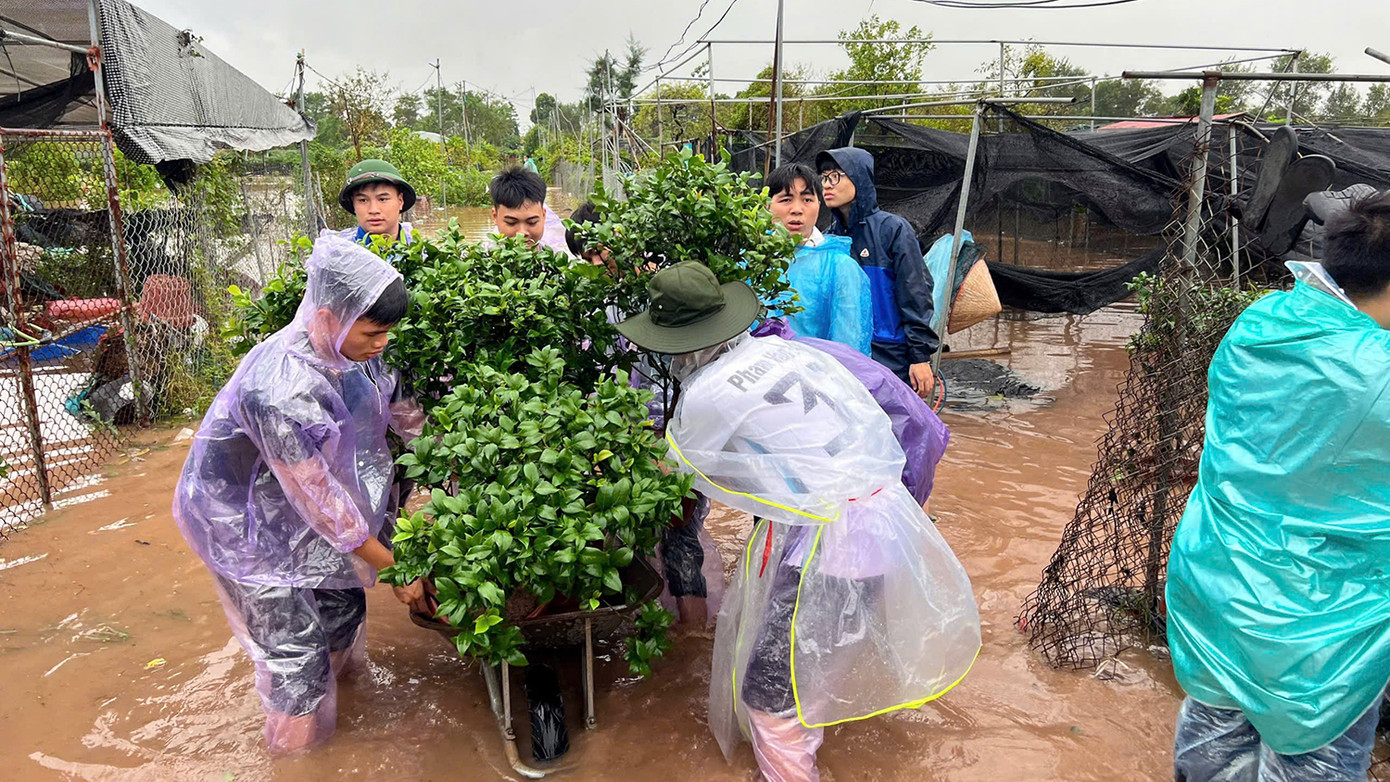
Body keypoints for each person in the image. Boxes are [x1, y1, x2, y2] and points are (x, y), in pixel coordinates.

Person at [616, 261, 980, 781]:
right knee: (808, 671)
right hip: (887, 524)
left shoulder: (708, 394)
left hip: (830, 545)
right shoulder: (786, 351)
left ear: (678, 344)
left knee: (770, 698)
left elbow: (671, 477)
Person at [173, 234, 429, 754]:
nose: (383, 342)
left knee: (343, 612)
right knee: (296, 658)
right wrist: (395, 568)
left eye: (388, 332)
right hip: (244, 526)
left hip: (302, 512)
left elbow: (411, 422)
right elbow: (320, 501)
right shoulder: (277, 388)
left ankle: (338, 724)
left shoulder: (362, 355)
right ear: (330, 316)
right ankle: (294, 760)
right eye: (374, 331)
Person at [1166, 191, 1390, 782]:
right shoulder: (1377, 370)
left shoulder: (1264, 322)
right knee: (1311, 763)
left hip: (1217, 582)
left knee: (1211, 744)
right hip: (1323, 626)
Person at [817, 148, 939, 396]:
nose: (827, 184)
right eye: (824, 177)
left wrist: (920, 356)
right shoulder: (830, 238)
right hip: (845, 353)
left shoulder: (893, 230)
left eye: (836, 176)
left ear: (859, 178)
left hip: (891, 353)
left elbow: (915, 292)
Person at [765, 163, 872, 355]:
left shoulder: (839, 267)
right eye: (786, 199)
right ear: (767, 205)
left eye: (807, 200)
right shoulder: (748, 261)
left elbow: (848, 346)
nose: (797, 209)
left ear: (819, 205)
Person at [489, 166, 573, 255]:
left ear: (544, 216)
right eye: (511, 223)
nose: (522, 233)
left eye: (532, 222)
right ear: (495, 217)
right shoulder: (483, 259)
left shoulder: (556, 257)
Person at [337, 159, 417, 245]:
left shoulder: (420, 250)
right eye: (363, 200)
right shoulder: (339, 250)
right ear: (353, 204)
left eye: (382, 199)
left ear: (400, 201)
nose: (373, 210)